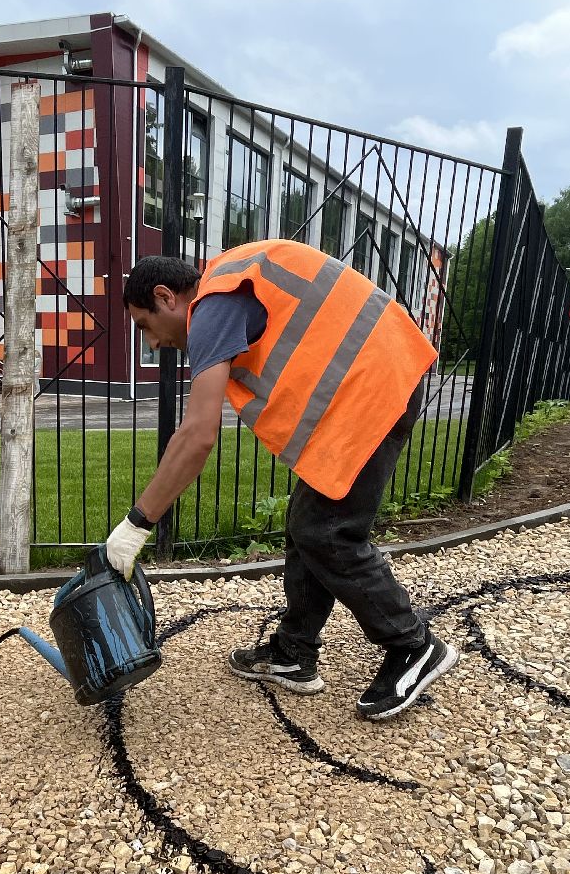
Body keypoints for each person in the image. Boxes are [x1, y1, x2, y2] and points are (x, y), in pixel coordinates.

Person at [105, 239, 457, 722]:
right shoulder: (227, 285)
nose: (151, 343)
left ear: (166, 297)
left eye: (145, 325)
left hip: (374, 386)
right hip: (371, 381)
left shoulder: (213, 305)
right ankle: (294, 652)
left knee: (328, 531)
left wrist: (137, 524)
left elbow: (198, 435)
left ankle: (413, 644)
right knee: (307, 525)